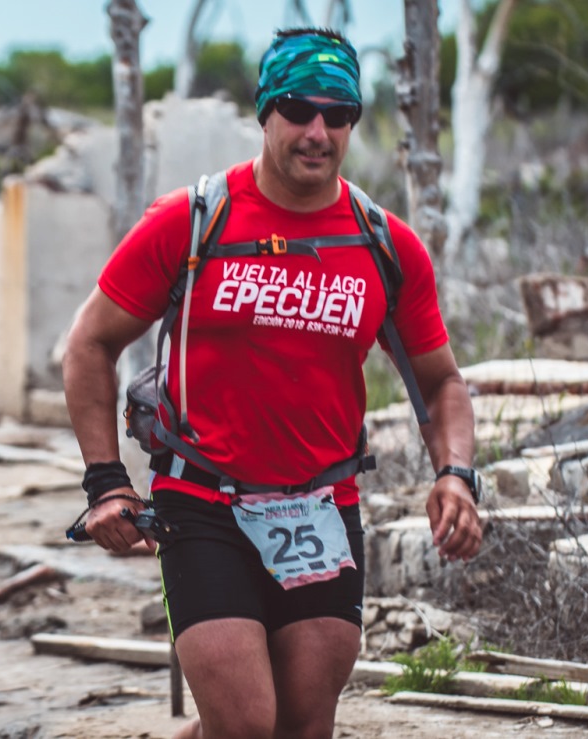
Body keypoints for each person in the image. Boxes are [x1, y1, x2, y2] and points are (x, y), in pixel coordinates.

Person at [62, 27, 482, 739]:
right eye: (298, 107)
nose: (318, 131)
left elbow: (441, 381)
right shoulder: (193, 222)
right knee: (249, 726)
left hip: (321, 507)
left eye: (339, 113)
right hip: (203, 501)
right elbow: (89, 343)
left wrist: (458, 473)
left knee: (300, 728)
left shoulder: (383, 244)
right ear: (266, 111)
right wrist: (107, 481)